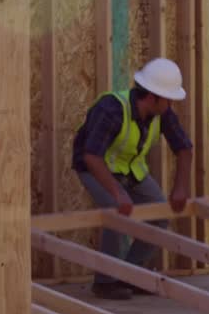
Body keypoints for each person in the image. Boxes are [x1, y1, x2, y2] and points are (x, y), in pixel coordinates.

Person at [72, 58, 193, 299]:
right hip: (95, 168)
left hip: (131, 169)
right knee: (116, 214)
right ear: (152, 96)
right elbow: (91, 156)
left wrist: (181, 188)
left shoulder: (162, 113)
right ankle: (106, 282)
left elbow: (184, 149)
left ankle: (132, 275)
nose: (170, 104)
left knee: (160, 215)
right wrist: (117, 193)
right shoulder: (111, 109)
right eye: (167, 98)